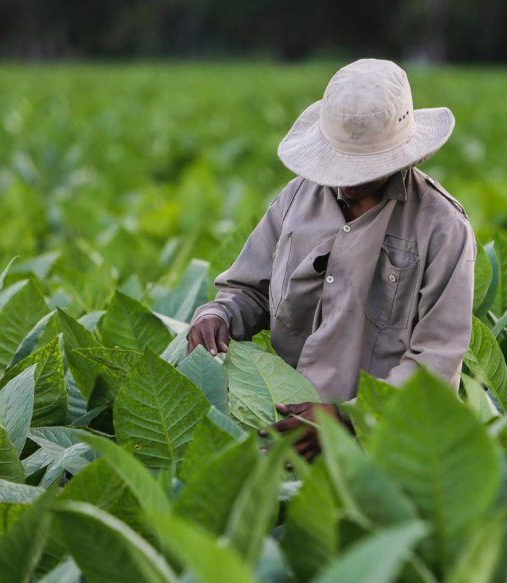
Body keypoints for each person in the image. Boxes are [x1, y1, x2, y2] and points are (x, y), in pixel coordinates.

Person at [188, 58, 475, 459]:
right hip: (287, 425)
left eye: (365, 169)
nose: (347, 180)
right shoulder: (296, 199)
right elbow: (248, 290)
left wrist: (346, 420)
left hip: (389, 444)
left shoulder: (442, 227)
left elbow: (437, 360)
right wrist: (217, 317)